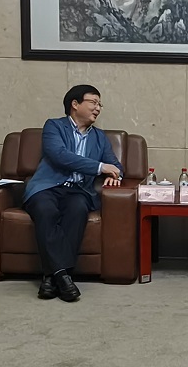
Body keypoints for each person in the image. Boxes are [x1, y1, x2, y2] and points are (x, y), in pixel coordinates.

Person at [23, 84, 123, 302]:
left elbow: (115, 165)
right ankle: (62, 276)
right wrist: (100, 167)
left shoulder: (99, 137)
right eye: (93, 102)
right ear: (75, 104)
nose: (98, 108)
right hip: (47, 187)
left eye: (100, 104)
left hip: (78, 191)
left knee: (77, 210)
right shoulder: (54, 126)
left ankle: (50, 278)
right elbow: (59, 155)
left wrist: (116, 175)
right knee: (46, 211)